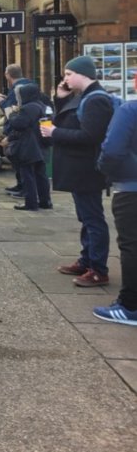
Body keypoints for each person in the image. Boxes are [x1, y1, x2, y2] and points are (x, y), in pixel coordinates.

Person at [40, 56, 115, 287]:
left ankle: (98, 270)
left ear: (83, 74)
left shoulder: (96, 100)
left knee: (93, 219)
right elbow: (71, 121)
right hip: (78, 167)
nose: (65, 78)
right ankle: (87, 260)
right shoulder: (84, 97)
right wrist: (61, 99)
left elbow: (90, 136)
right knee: (86, 216)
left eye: (69, 74)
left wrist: (54, 134)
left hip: (87, 169)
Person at [94, 69, 137, 325]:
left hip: (131, 190)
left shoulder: (129, 110)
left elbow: (111, 151)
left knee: (132, 246)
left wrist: (105, 171)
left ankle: (130, 306)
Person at [5, 82, 52, 211]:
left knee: (28, 176)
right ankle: (45, 201)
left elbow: (19, 124)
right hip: (41, 145)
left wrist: (12, 114)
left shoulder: (28, 108)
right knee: (41, 175)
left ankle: (31, 203)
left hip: (29, 146)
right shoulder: (42, 106)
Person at [0, 64, 33, 198]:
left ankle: (24, 188)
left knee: (19, 160)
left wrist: (1, 102)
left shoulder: (17, 88)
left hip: (17, 129)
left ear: (8, 75)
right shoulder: (27, 85)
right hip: (21, 128)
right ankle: (21, 185)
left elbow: (10, 109)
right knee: (18, 161)